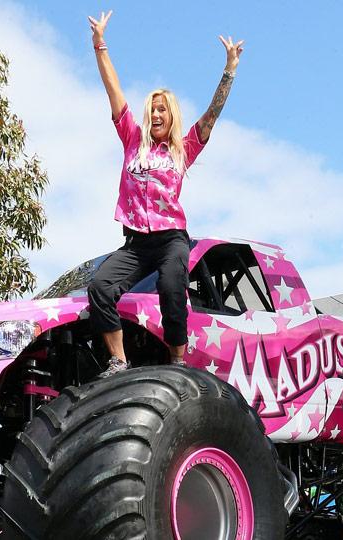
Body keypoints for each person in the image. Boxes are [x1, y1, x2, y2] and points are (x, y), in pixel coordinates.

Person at [85, 10, 244, 377]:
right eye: (152, 109)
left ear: (171, 116)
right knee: (100, 287)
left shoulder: (183, 148)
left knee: (171, 286)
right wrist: (100, 45)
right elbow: (113, 90)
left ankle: (177, 360)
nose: (156, 114)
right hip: (137, 242)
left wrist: (229, 70)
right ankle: (118, 361)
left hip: (171, 238)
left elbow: (212, 115)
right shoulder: (131, 138)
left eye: (162, 110)